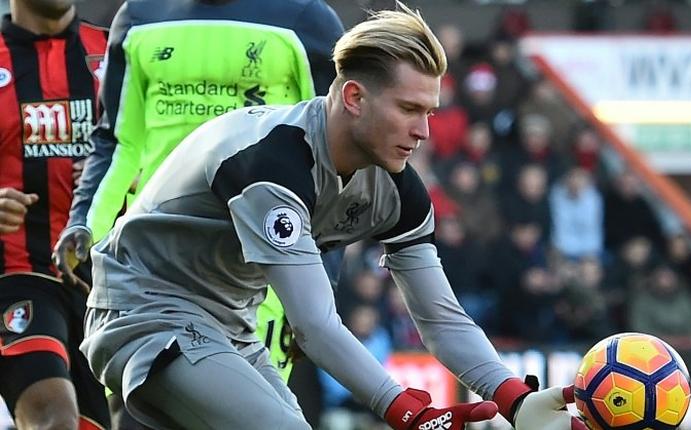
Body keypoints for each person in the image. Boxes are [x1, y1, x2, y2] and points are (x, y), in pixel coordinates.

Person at [76, 3, 585, 429]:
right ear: (354, 97)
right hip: (144, 313)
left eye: (430, 112)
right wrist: (403, 409)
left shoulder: (398, 187)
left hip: (230, 326)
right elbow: (315, 325)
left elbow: (440, 317)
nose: (425, 130)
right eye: (409, 108)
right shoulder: (271, 162)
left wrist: (515, 399)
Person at [51, 0, 344, 426]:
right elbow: (117, 142)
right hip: (146, 272)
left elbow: (332, 163)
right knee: (145, 417)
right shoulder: (138, 17)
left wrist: (321, 290)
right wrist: (85, 225)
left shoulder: (306, 20)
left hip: (260, 276)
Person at [0, 1, 110, 429]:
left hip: (113, 281)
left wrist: (130, 178)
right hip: (18, 273)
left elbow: (160, 155)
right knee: (53, 415)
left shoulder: (114, 51)